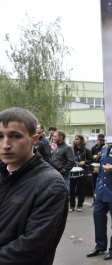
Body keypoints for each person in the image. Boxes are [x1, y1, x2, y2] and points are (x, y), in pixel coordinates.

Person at [0, 107, 68, 264]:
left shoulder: (51, 184)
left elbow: (31, 247)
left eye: (15, 136)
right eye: (0, 136)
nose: (5, 145)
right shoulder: (3, 173)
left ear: (34, 139)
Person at [70, 135, 93, 212]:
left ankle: (80, 205)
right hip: (73, 171)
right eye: (75, 139)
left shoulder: (86, 151)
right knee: (72, 190)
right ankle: (71, 205)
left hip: (83, 171)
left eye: (77, 139)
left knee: (81, 189)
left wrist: (85, 162)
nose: (75, 140)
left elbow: (91, 160)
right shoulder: (72, 150)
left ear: (81, 140)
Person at [90, 133, 106, 203]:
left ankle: (103, 200)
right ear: (97, 140)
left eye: (102, 140)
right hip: (95, 168)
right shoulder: (94, 148)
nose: (100, 141)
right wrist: (96, 156)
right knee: (94, 184)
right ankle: (95, 200)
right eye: (99, 140)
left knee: (103, 184)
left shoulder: (106, 147)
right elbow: (91, 158)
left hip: (103, 167)